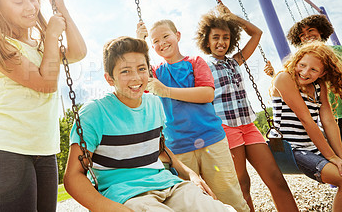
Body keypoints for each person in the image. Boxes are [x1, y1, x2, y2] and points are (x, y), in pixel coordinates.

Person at [63, 36, 234, 211]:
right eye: (125, 71)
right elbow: (73, 177)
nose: (136, 78)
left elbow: (161, 150)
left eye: (141, 68)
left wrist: (190, 175)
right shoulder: (94, 113)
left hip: (168, 186)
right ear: (109, 79)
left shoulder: (154, 104)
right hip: (125, 195)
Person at [0, 0, 87, 211]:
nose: (31, 7)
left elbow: (78, 52)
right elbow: (45, 84)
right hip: (2, 150)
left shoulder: (39, 44)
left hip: (43, 149)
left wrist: (62, 8)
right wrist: (53, 36)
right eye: (18, 1)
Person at [137, 20, 249, 211]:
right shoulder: (155, 73)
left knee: (229, 196)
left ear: (177, 36)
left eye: (166, 36)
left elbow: (207, 94)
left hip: (211, 139)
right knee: (191, 202)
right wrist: (140, 41)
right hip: (179, 147)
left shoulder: (195, 62)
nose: (162, 42)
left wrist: (167, 91)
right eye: (155, 41)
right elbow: (140, 76)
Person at [195, 3, 298, 212]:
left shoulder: (235, 61)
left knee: (275, 177)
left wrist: (232, 16)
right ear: (206, 40)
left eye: (225, 37)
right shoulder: (203, 66)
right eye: (215, 37)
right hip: (226, 127)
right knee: (242, 184)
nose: (221, 42)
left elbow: (256, 33)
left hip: (248, 126)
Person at [270, 41, 342, 211]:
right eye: (302, 65)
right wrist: (332, 157)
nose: (304, 72)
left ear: (323, 72)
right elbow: (306, 120)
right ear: (296, 61)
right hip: (290, 148)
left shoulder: (319, 86)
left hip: (312, 146)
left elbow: (329, 121)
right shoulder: (284, 78)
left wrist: (340, 157)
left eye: (313, 69)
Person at [264, 14, 342, 137]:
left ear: (321, 31)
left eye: (310, 30)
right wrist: (274, 74)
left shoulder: (338, 51)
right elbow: (295, 83)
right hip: (328, 115)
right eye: (302, 35)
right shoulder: (304, 61)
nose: (307, 36)